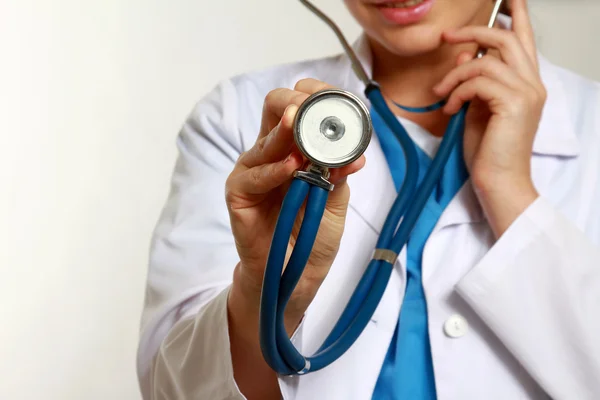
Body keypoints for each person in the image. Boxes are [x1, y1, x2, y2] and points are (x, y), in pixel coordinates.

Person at [136, 0, 600, 398]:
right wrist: (265, 291)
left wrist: (509, 190)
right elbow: (175, 388)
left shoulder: (591, 122)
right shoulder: (239, 117)